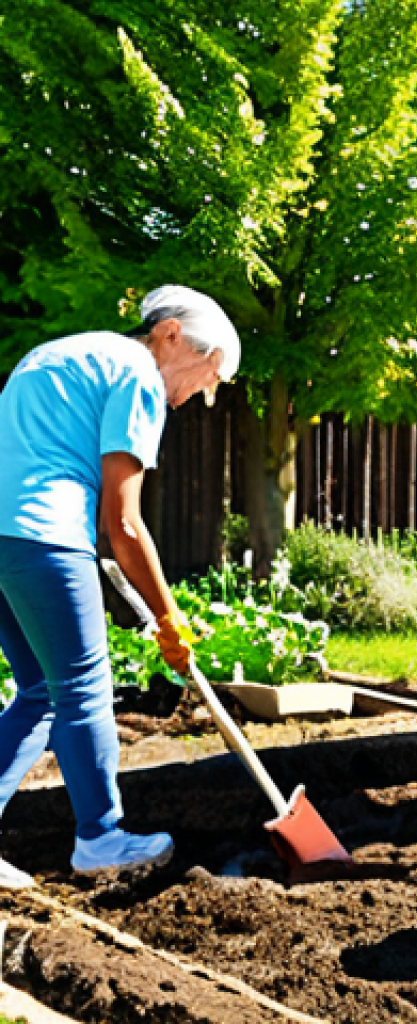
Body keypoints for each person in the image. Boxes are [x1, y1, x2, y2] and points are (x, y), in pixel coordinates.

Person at [0, 285, 240, 887]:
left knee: (37, 692)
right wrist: (168, 619)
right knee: (82, 684)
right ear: (171, 335)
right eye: (205, 375)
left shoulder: (67, 354)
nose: (192, 397)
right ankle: (100, 837)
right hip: (44, 534)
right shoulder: (136, 374)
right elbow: (125, 523)